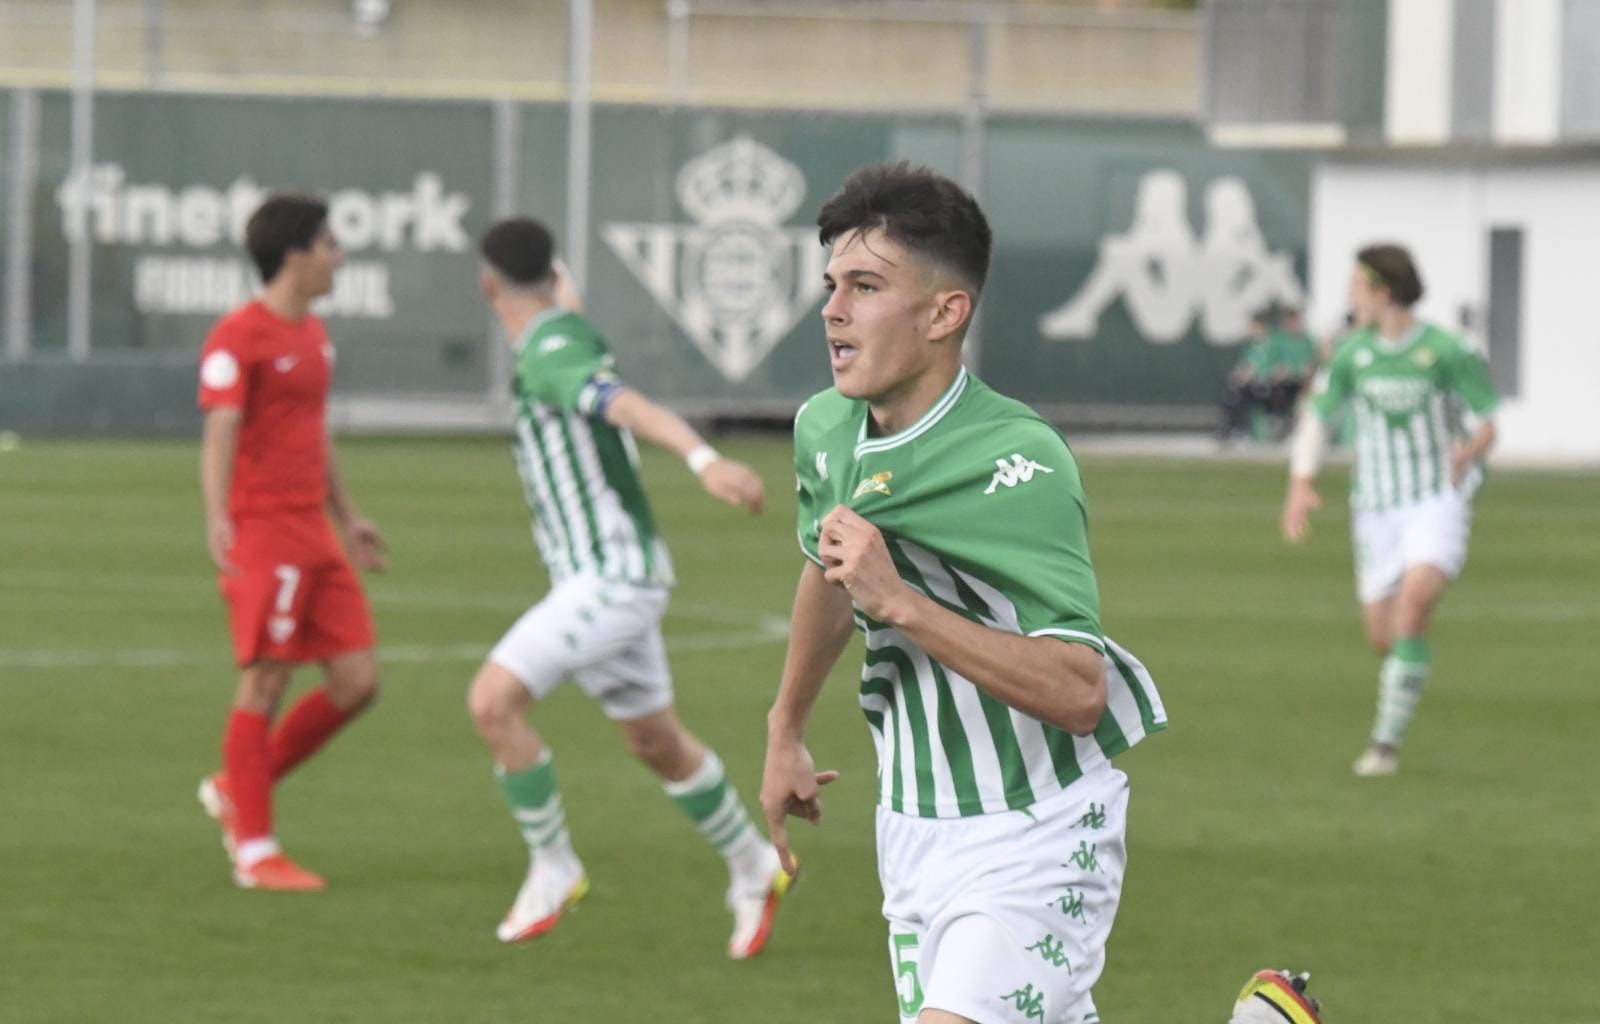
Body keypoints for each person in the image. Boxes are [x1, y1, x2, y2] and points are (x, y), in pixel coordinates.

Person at [760, 162, 1178, 1023]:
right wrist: (785, 731)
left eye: (866, 286)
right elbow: (827, 572)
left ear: (946, 312)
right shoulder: (825, 428)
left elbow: (1077, 690)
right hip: (909, 830)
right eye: (832, 284)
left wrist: (904, 603)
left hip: (1034, 833)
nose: (833, 310)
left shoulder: (1018, 460)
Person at [465, 216, 793, 957]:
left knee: (493, 703)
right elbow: (568, 312)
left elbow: (624, 405)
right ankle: (752, 864)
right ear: (554, 277)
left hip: (608, 577)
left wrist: (703, 458)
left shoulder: (551, 351)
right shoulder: (564, 330)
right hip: (612, 577)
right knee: (655, 740)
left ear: (488, 287)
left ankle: (554, 865)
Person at [195, 193, 386, 891]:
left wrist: (349, 513)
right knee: (266, 680)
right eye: (331, 245)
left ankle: (235, 789)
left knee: (358, 680)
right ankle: (255, 853)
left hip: (315, 527)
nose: (340, 257)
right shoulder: (237, 336)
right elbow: (220, 429)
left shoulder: (315, 334)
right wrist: (220, 516)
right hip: (264, 528)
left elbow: (314, 431)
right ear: (296, 255)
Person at [1281, 243, 1499, 777]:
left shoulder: (1446, 350)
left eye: (1358, 285)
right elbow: (1320, 417)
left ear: (1383, 292)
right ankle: (1406, 670)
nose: (1351, 295)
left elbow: (1487, 418)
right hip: (1375, 504)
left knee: (1414, 604)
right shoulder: (1353, 354)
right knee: (1385, 634)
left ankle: (1384, 746)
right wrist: (1301, 482)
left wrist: (1470, 451)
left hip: (1436, 495)